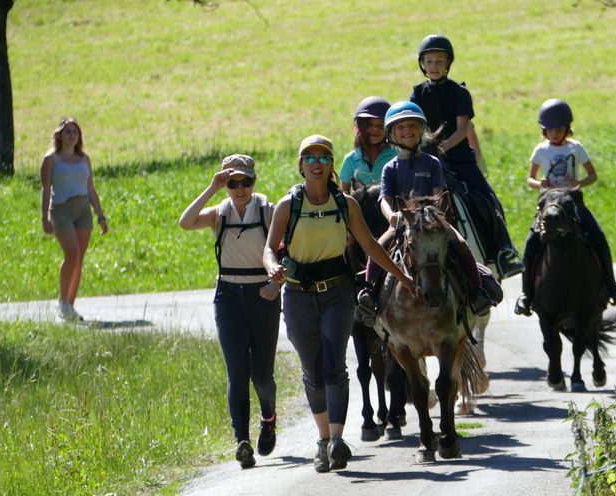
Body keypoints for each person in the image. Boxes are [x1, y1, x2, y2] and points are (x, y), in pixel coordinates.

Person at [263, 135, 415, 474]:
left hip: (337, 292)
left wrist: (402, 277)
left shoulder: (346, 204)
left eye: (324, 157)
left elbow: (372, 247)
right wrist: (272, 266)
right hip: (299, 294)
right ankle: (322, 441)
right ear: (301, 166)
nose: (317, 163)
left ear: (332, 164)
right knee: (313, 370)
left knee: (335, 365)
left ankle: (337, 439)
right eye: (310, 158)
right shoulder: (288, 205)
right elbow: (269, 247)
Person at [179, 154, 281, 470]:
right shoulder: (220, 213)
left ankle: (268, 417)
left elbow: (287, 250)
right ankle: (242, 441)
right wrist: (212, 188)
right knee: (237, 370)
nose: (240, 189)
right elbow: (185, 222)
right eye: (233, 182)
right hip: (228, 298)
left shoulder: (269, 211)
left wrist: (276, 285)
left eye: (246, 182)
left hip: (263, 295)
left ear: (254, 181)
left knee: (261, 374)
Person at [356, 101, 494, 327]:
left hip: (430, 223)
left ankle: (477, 290)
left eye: (412, 125)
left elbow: (439, 194)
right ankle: (369, 293)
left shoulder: (432, 163)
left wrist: (433, 215)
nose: (407, 130)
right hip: (402, 223)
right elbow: (384, 199)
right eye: (400, 127)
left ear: (422, 130)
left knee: (460, 243)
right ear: (391, 134)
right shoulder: (390, 167)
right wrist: (392, 216)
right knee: (378, 247)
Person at [409, 34, 523, 278]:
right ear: (422, 65)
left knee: (488, 199)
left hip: (459, 160)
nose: (434, 66)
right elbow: (414, 127)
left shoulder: (459, 93)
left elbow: (463, 129)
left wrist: (442, 148)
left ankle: (504, 251)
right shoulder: (417, 94)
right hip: (427, 162)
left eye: (439, 61)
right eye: (429, 62)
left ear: (448, 64)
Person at [514, 99, 616, 316]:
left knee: (598, 237)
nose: (555, 134)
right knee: (530, 244)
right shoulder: (540, 150)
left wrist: (580, 183)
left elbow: (592, 174)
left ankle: (611, 285)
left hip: (573, 203)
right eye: (550, 130)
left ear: (567, 128)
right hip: (548, 203)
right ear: (544, 131)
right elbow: (530, 179)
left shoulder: (576, 148)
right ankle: (527, 294)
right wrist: (540, 184)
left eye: (559, 129)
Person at [40, 117, 108, 322]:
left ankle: (69, 305)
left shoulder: (84, 159)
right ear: (59, 135)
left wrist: (100, 215)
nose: (71, 135)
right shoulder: (51, 159)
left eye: (75, 132)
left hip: (83, 210)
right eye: (67, 131)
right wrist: (44, 218)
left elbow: (91, 189)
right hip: (61, 210)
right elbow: (45, 190)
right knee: (72, 252)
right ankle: (62, 302)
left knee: (79, 257)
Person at [339, 96, 396, 194]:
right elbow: (345, 194)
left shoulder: (395, 156)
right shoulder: (350, 159)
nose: (375, 129)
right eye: (369, 124)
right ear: (359, 127)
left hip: (388, 207)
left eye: (381, 125)